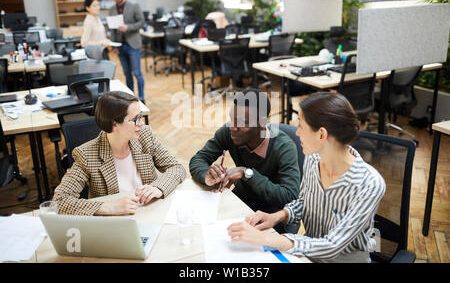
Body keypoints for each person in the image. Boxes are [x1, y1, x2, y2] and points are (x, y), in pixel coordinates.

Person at [227, 92, 386, 263]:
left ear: (321, 135)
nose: (297, 133)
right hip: (306, 256)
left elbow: (332, 245)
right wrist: (277, 216)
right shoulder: (313, 159)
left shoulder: (369, 184)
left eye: (301, 126)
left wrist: (265, 239)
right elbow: (305, 201)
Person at [53, 91, 186, 215]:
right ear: (114, 124)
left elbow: (177, 168)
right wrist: (109, 207)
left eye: (141, 116)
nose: (141, 123)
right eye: (135, 119)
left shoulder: (145, 136)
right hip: (116, 223)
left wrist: (158, 188)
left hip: (150, 212)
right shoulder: (87, 155)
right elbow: (60, 200)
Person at [189, 89, 301, 232]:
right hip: (239, 203)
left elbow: (289, 197)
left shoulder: (284, 147)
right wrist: (207, 175)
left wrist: (247, 173)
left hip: (269, 214)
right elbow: (199, 159)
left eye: (242, 122)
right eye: (232, 118)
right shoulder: (229, 131)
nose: (233, 127)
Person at [108, 0, 146, 103]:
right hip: (120, 46)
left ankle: (141, 98)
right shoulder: (112, 9)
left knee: (137, 72)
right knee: (127, 74)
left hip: (133, 44)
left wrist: (128, 27)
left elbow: (142, 22)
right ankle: (131, 99)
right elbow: (112, 29)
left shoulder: (134, 5)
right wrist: (114, 45)